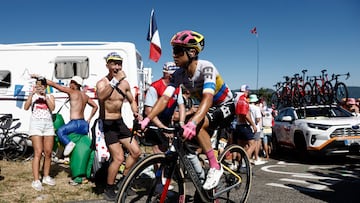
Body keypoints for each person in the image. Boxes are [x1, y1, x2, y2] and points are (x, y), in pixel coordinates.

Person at [140, 30, 235, 190]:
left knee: (196, 124)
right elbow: (164, 98)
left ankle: (215, 166)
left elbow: (207, 98)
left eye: (177, 50)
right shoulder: (178, 74)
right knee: (182, 142)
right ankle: (202, 179)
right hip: (208, 109)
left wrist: (193, 123)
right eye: (173, 50)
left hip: (225, 106)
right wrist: (147, 119)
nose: (173, 55)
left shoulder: (206, 67)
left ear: (192, 52)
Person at [96, 52, 142, 201]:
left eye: (119, 64)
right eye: (113, 63)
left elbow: (132, 99)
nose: (117, 67)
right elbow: (102, 97)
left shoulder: (125, 84)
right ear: (107, 65)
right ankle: (109, 188)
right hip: (107, 124)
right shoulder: (102, 83)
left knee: (136, 152)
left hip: (120, 122)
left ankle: (124, 181)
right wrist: (116, 80)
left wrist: (136, 113)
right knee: (118, 158)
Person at [35, 75, 99, 156]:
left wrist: (42, 79)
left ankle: (68, 145)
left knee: (60, 131)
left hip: (75, 123)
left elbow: (55, 85)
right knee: (80, 143)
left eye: (71, 82)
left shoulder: (71, 91)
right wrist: (89, 118)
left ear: (75, 84)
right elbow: (95, 106)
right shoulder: (85, 96)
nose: (70, 84)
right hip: (84, 125)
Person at [143, 61, 185, 153]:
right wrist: (162, 127)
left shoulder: (177, 87)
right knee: (158, 151)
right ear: (167, 74)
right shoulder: (154, 87)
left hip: (167, 120)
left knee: (167, 150)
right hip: (155, 120)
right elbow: (148, 111)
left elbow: (181, 105)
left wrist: (182, 122)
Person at [24, 77, 56, 191]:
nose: (39, 87)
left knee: (48, 152)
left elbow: (52, 108)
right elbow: (26, 107)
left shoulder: (50, 96)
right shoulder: (33, 96)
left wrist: (45, 96)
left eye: (41, 86)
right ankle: (36, 180)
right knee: (38, 152)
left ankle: (46, 176)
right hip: (36, 125)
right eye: (37, 85)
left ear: (45, 87)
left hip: (48, 125)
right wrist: (32, 95)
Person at [233, 85, 257, 167]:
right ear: (245, 91)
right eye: (248, 91)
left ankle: (240, 165)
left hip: (238, 125)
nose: (248, 93)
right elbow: (245, 114)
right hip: (244, 125)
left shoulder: (236, 98)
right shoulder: (243, 99)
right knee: (253, 145)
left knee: (242, 147)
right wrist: (253, 124)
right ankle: (244, 163)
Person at [249, 94, 266, 165]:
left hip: (248, 127)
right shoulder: (256, 108)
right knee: (256, 143)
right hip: (256, 127)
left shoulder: (247, 106)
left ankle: (249, 159)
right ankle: (256, 158)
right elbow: (258, 119)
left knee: (248, 145)